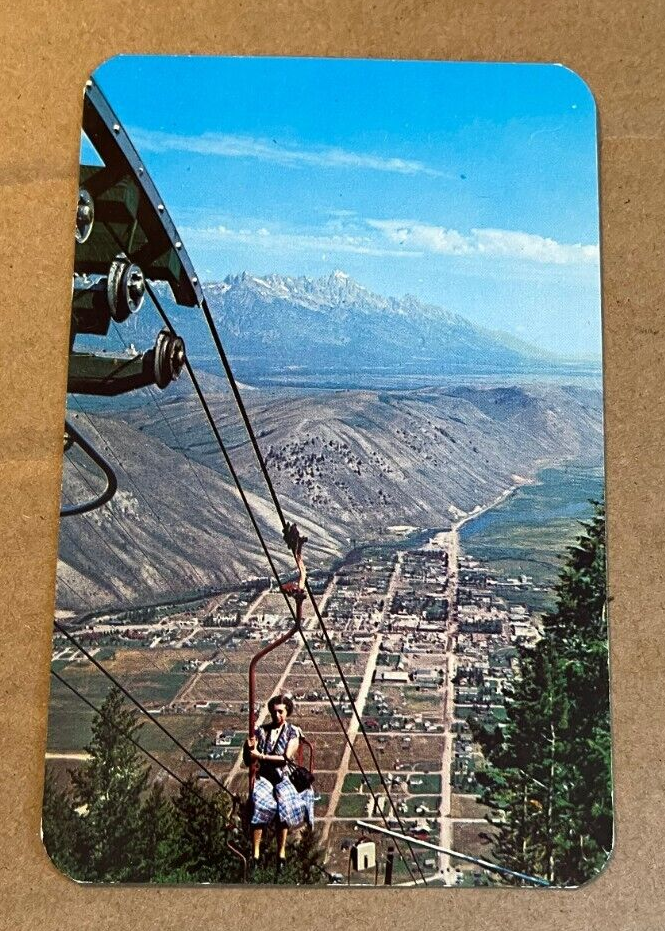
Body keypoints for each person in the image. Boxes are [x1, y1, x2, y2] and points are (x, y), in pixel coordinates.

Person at [244, 693, 314, 870]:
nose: (277, 716)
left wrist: (261, 755)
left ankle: (281, 852)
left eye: (281, 712)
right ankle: (256, 853)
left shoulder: (292, 732)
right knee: (260, 803)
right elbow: (248, 759)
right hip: (266, 776)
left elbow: (285, 758)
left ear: (287, 712)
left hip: (283, 777)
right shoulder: (261, 731)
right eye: (274, 712)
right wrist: (249, 747)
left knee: (284, 806)